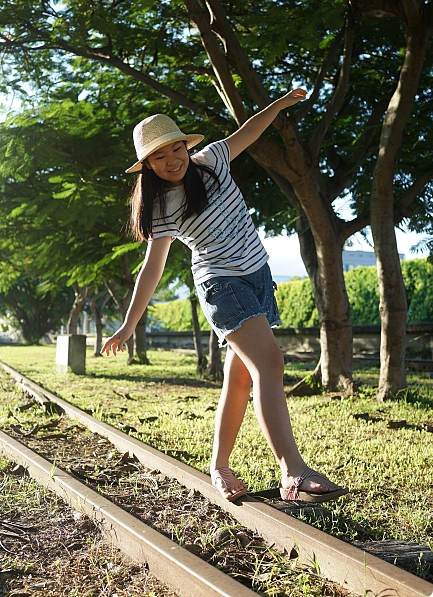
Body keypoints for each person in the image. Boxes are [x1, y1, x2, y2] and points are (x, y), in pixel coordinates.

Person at [102, 91, 349, 504]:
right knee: (270, 362)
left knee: (240, 378)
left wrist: (280, 104)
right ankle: (293, 470)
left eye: (176, 148)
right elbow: (153, 266)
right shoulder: (162, 204)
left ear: (187, 146)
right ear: (147, 165)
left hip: (257, 277)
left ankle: (219, 465)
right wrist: (130, 323)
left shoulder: (213, 160)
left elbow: (248, 131)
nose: (172, 160)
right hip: (222, 285)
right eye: (159, 157)